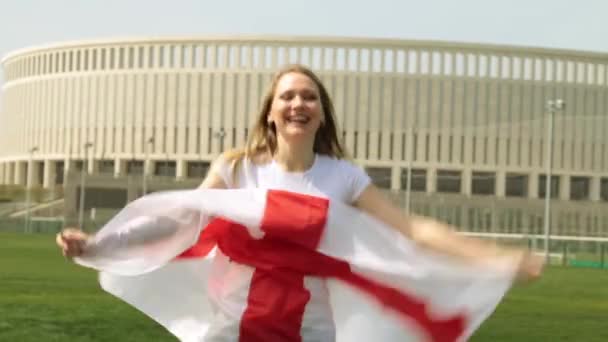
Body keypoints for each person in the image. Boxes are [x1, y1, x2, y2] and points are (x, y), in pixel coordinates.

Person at [57, 64, 543, 341]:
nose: (298, 104)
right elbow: (179, 222)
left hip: (310, 332)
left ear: (320, 114)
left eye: (309, 97)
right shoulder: (236, 167)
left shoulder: (343, 177)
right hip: (233, 329)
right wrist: (100, 245)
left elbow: (412, 231)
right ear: (270, 113)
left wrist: (497, 258)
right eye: (288, 96)